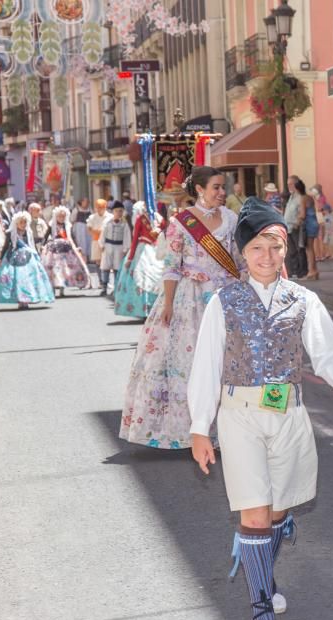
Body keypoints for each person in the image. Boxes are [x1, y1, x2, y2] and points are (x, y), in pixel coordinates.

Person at [187, 196, 333, 620]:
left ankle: (258, 559)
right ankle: (261, 612)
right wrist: (200, 427)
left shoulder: (303, 299)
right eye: (257, 248)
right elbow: (205, 366)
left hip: (289, 414)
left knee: (279, 510)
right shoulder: (223, 303)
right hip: (239, 417)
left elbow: (327, 347)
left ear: (286, 250)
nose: (267, 256)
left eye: (276, 246)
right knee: (256, 512)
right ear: (243, 253)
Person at [120, 166, 244, 450]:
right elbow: (172, 267)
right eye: (216, 187)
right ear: (200, 190)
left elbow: (239, 261)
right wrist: (168, 304)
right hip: (190, 300)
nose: (222, 192)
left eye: (223, 187)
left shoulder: (231, 219)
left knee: (227, 364)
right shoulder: (181, 223)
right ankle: (187, 431)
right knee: (186, 363)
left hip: (226, 298)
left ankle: (230, 431)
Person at [0, 211, 55, 309]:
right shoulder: (11, 233)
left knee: (29, 278)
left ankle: (27, 299)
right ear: (16, 223)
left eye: (25, 222)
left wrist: (37, 256)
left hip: (28, 258)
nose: (23, 225)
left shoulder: (28, 232)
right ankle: (20, 300)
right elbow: (6, 246)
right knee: (16, 278)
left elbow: (32, 245)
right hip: (14, 258)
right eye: (21, 222)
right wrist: (1, 257)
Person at [113, 202, 162, 319]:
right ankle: (154, 307)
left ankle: (142, 308)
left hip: (142, 250)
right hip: (155, 248)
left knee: (141, 277)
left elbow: (135, 239)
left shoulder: (140, 219)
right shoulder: (158, 218)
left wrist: (130, 258)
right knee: (154, 276)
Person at [41, 205, 91, 297]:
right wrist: (43, 245)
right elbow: (46, 236)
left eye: (63, 216)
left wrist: (76, 246)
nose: (61, 218)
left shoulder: (67, 226)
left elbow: (72, 236)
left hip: (66, 249)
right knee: (54, 268)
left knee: (64, 269)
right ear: (56, 216)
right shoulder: (52, 225)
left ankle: (62, 288)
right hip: (54, 250)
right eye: (59, 216)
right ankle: (52, 287)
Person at [99, 201, 132, 296]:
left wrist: (126, 248)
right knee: (105, 267)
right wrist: (102, 245)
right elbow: (103, 234)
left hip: (119, 247)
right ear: (113, 212)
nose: (119, 213)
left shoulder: (124, 224)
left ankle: (116, 288)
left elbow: (127, 236)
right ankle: (104, 287)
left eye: (121, 211)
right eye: (117, 211)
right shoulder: (107, 222)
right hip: (108, 245)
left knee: (117, 268)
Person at [293, 178, 320, 281]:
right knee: (311, 248)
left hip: (308, 224)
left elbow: (303, 214)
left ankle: (311, 271)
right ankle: (315, 271)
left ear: (297, 189)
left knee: (309, 249)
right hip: (314, 223)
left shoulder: (303, 198)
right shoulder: (309, 197)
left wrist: (297, 221)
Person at [85, 198, 108, 289]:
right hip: (96, 240)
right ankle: (101, 281)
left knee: (106, 261)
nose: (100, 209)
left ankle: (106, 281)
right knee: (98, 261)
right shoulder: (92, 217)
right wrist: (97, 232)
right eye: (98, 207)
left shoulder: (109, 216)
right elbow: (89, 229)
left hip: (107, 241)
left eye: (102, 207)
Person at [310, 184, 333, 261]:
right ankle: (318, 255)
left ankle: (321, 255)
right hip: (316, 217)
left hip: (319, 217)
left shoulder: (320, 198)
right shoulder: (318, 198)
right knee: (317, 238)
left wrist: (315, 201)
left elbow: (319, 208)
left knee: (319, 237)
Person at [70, 197, 93, 262]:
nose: (87, 203)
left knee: (89, 242)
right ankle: (82, 257)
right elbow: (72, 219)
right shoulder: (76, 209)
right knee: (81, 242)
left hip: (88, 228)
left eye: (88, 202)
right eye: (85, 202)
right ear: (81, 202)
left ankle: (89, 257)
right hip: (79, 229)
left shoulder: (90, 210)